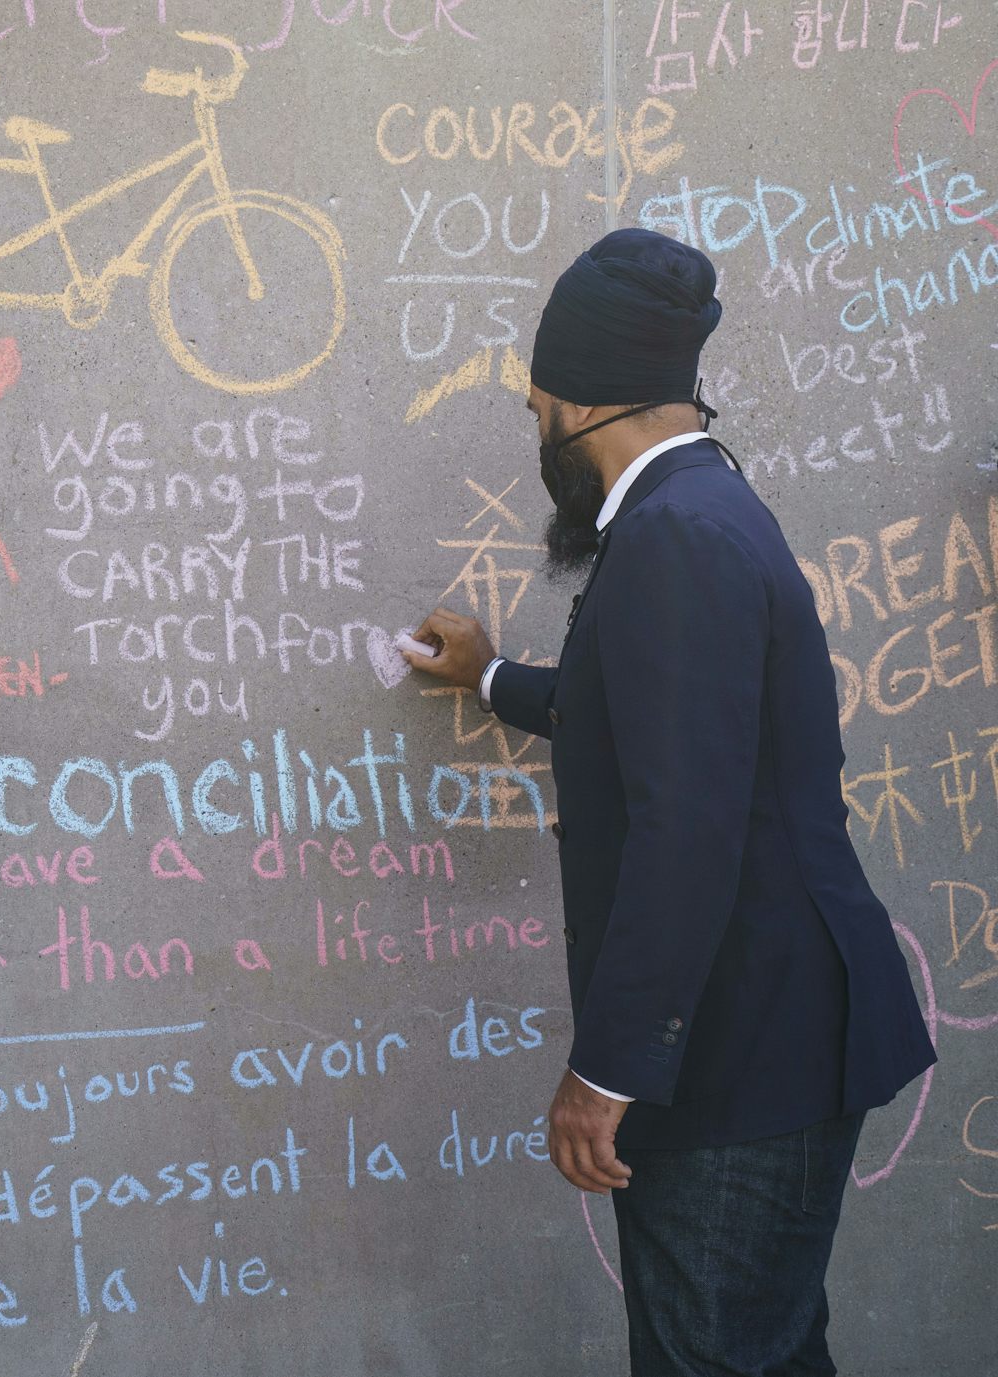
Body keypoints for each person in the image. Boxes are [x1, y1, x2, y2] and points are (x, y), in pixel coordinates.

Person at [403, 228, 935, 1375]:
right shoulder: (700, 505)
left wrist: (606, 1074)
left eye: (536, 407)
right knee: (764, 1353)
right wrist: (492, 677)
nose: (537, 429)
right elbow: (661, 722)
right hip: (762, 1037)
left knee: (714, 1358)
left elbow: (685, 832)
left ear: (576, 406)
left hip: (743, 1059)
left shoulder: (677, 537)